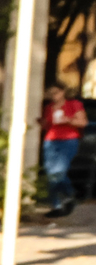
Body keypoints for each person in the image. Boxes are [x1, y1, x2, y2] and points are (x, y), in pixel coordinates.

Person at [41, 85, 85, 216]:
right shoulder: (49, 108)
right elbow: (47, 124)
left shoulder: (73, 104)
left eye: (56, 92)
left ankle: (70, 195)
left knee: (59, 171)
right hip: (50, 140)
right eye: (51, 93)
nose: (54, 95)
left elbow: (82, 122)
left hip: (68, 139)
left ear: (63, 92)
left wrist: (68, 120)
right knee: (50, 173)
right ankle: (58, 204)